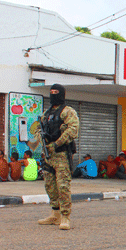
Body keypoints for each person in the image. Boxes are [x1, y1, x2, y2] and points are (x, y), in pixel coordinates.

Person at [37, 83, 79, 231]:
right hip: (49, 156)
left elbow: (73, 130)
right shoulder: (46, 113)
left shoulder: (68, 111)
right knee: (50, 186)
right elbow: (39, 131)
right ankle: (55, 215)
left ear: (61, 94)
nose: (53, 94)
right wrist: (44, 146)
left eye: (56, 92)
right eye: (51, 92)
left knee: (63, 186)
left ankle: (65, 216)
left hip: (61, 154)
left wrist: (56, 144)